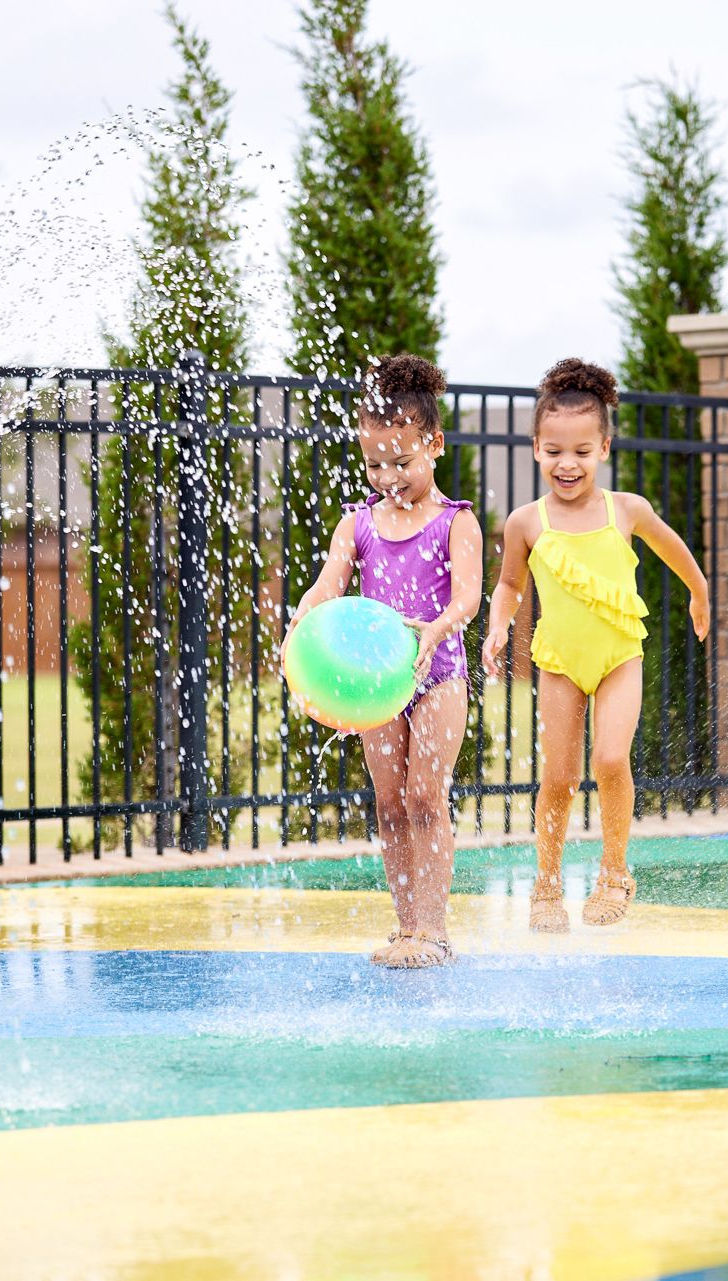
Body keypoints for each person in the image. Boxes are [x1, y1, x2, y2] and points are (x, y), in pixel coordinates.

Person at [481, 358, 709, 932]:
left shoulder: (626, 509)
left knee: (609, 759)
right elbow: (509, 585)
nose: (568, 463)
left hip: (618, 658)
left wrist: (699, 591)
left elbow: (673, 548)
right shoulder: (526, 522)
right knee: (558, 777)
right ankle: (546, 885)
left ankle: (614, 873)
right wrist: (498, 625)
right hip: (559, 663)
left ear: (604, 448)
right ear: (536, 448)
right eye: (555, 450)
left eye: (582, 451)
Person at [293, 355, 482, 968]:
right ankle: (406, 929)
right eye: (375, 464)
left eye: (402, 463)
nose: (388, 477)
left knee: (426, 795)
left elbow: (468, 598)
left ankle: (435, 931)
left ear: (435, 445)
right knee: (391, 802)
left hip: (438, 676)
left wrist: (438, 627)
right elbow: (328, 584)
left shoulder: (455, 523)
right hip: (377, 684)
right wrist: (304, 616)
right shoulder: (359, 524)